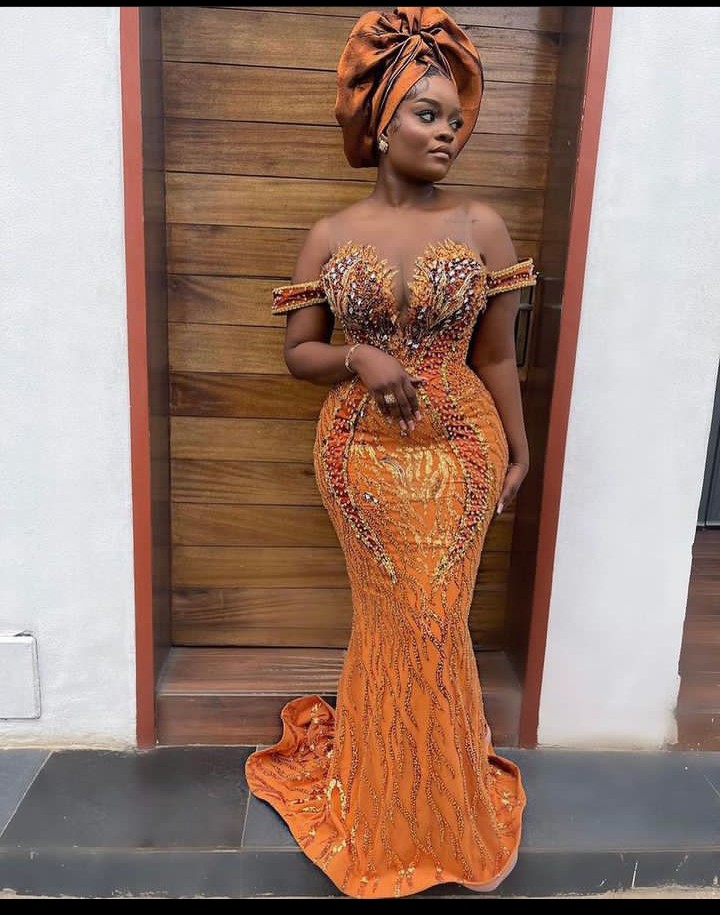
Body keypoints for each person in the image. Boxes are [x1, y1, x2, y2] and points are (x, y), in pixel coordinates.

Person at [245, 6, 534, 899]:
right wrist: (357, 358)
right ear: (380, 123)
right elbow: (299, 354)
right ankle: (381, 801)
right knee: (392, 619)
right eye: (427, 114)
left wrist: (520, 451)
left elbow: (496, 355)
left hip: (463, 447)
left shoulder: (484, 226)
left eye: (455, 118)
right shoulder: (330, 235)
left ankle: (442, 803)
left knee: (436, 619)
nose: (448, 132)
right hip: (358, 456)